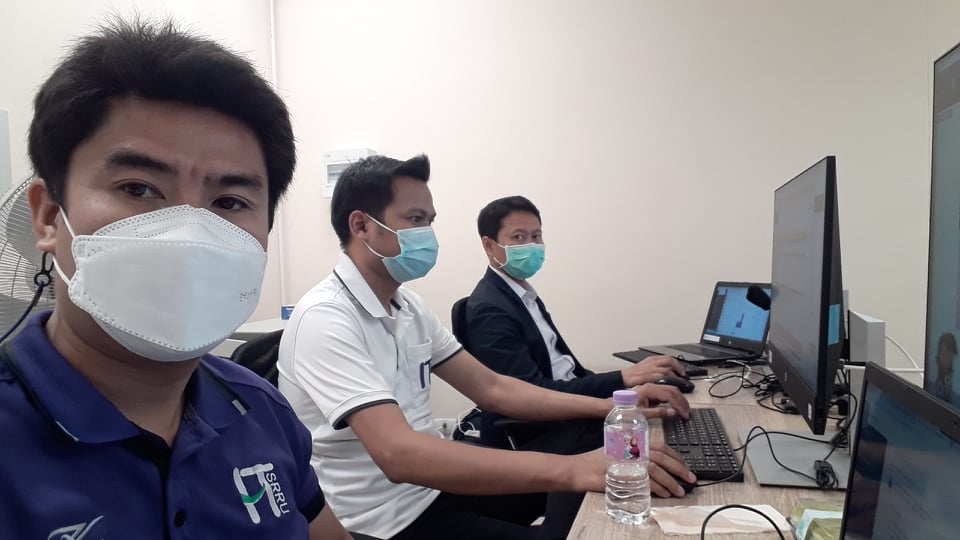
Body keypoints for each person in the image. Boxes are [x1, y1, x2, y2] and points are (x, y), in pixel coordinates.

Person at [0, 17, 352, 539]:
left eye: (229, 202)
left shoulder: (263, 409)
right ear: (49, 217)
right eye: (139, 188)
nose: (189, 232)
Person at [277, 154, 697, 540]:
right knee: (581, 496)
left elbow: (493, 388)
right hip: (387, 521)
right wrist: (574, 470)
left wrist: (612, 407)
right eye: (415, 219)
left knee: (592, 445)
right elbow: (397, 454)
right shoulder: (326, 318)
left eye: (430, 221)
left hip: (434, 491)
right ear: (361, 226)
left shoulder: (409, 307)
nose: (428, 234)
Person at [463, 195, 686, 448]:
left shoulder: (522, 296)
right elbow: (531, 393)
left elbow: (566, 375)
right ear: (489, 246)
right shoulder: (489, 308)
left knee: (666, 425)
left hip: (567, 412)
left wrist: (627, 388)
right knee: (658, 444)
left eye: (536, 236)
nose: (532, 245)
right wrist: (624, 379)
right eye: (519, 237)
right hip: (542, 431)